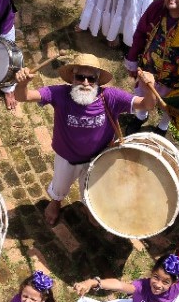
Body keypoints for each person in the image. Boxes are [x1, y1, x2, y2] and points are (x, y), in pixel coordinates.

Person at [13, 53, 157, 226]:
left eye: (91, 79)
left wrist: (149, 88)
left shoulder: (111, 97)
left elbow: (147, 105)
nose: (86, 83)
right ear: (72, 78)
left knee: (90, 189)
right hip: (66, 157)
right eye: (80, 77)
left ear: (98, 81)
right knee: (60, 184)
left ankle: (88, 206)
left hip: (97, 159)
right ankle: (56, 202)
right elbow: (23, 97)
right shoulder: (60, 94)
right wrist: (23, 83)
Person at [125, 0, 179, 134]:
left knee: (170, 104)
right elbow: (140, 32)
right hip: (150, 68)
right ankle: (141, 116)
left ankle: (163, 126)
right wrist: (132, 59)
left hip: (176, 77)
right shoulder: (156, 8)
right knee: (144, 92)